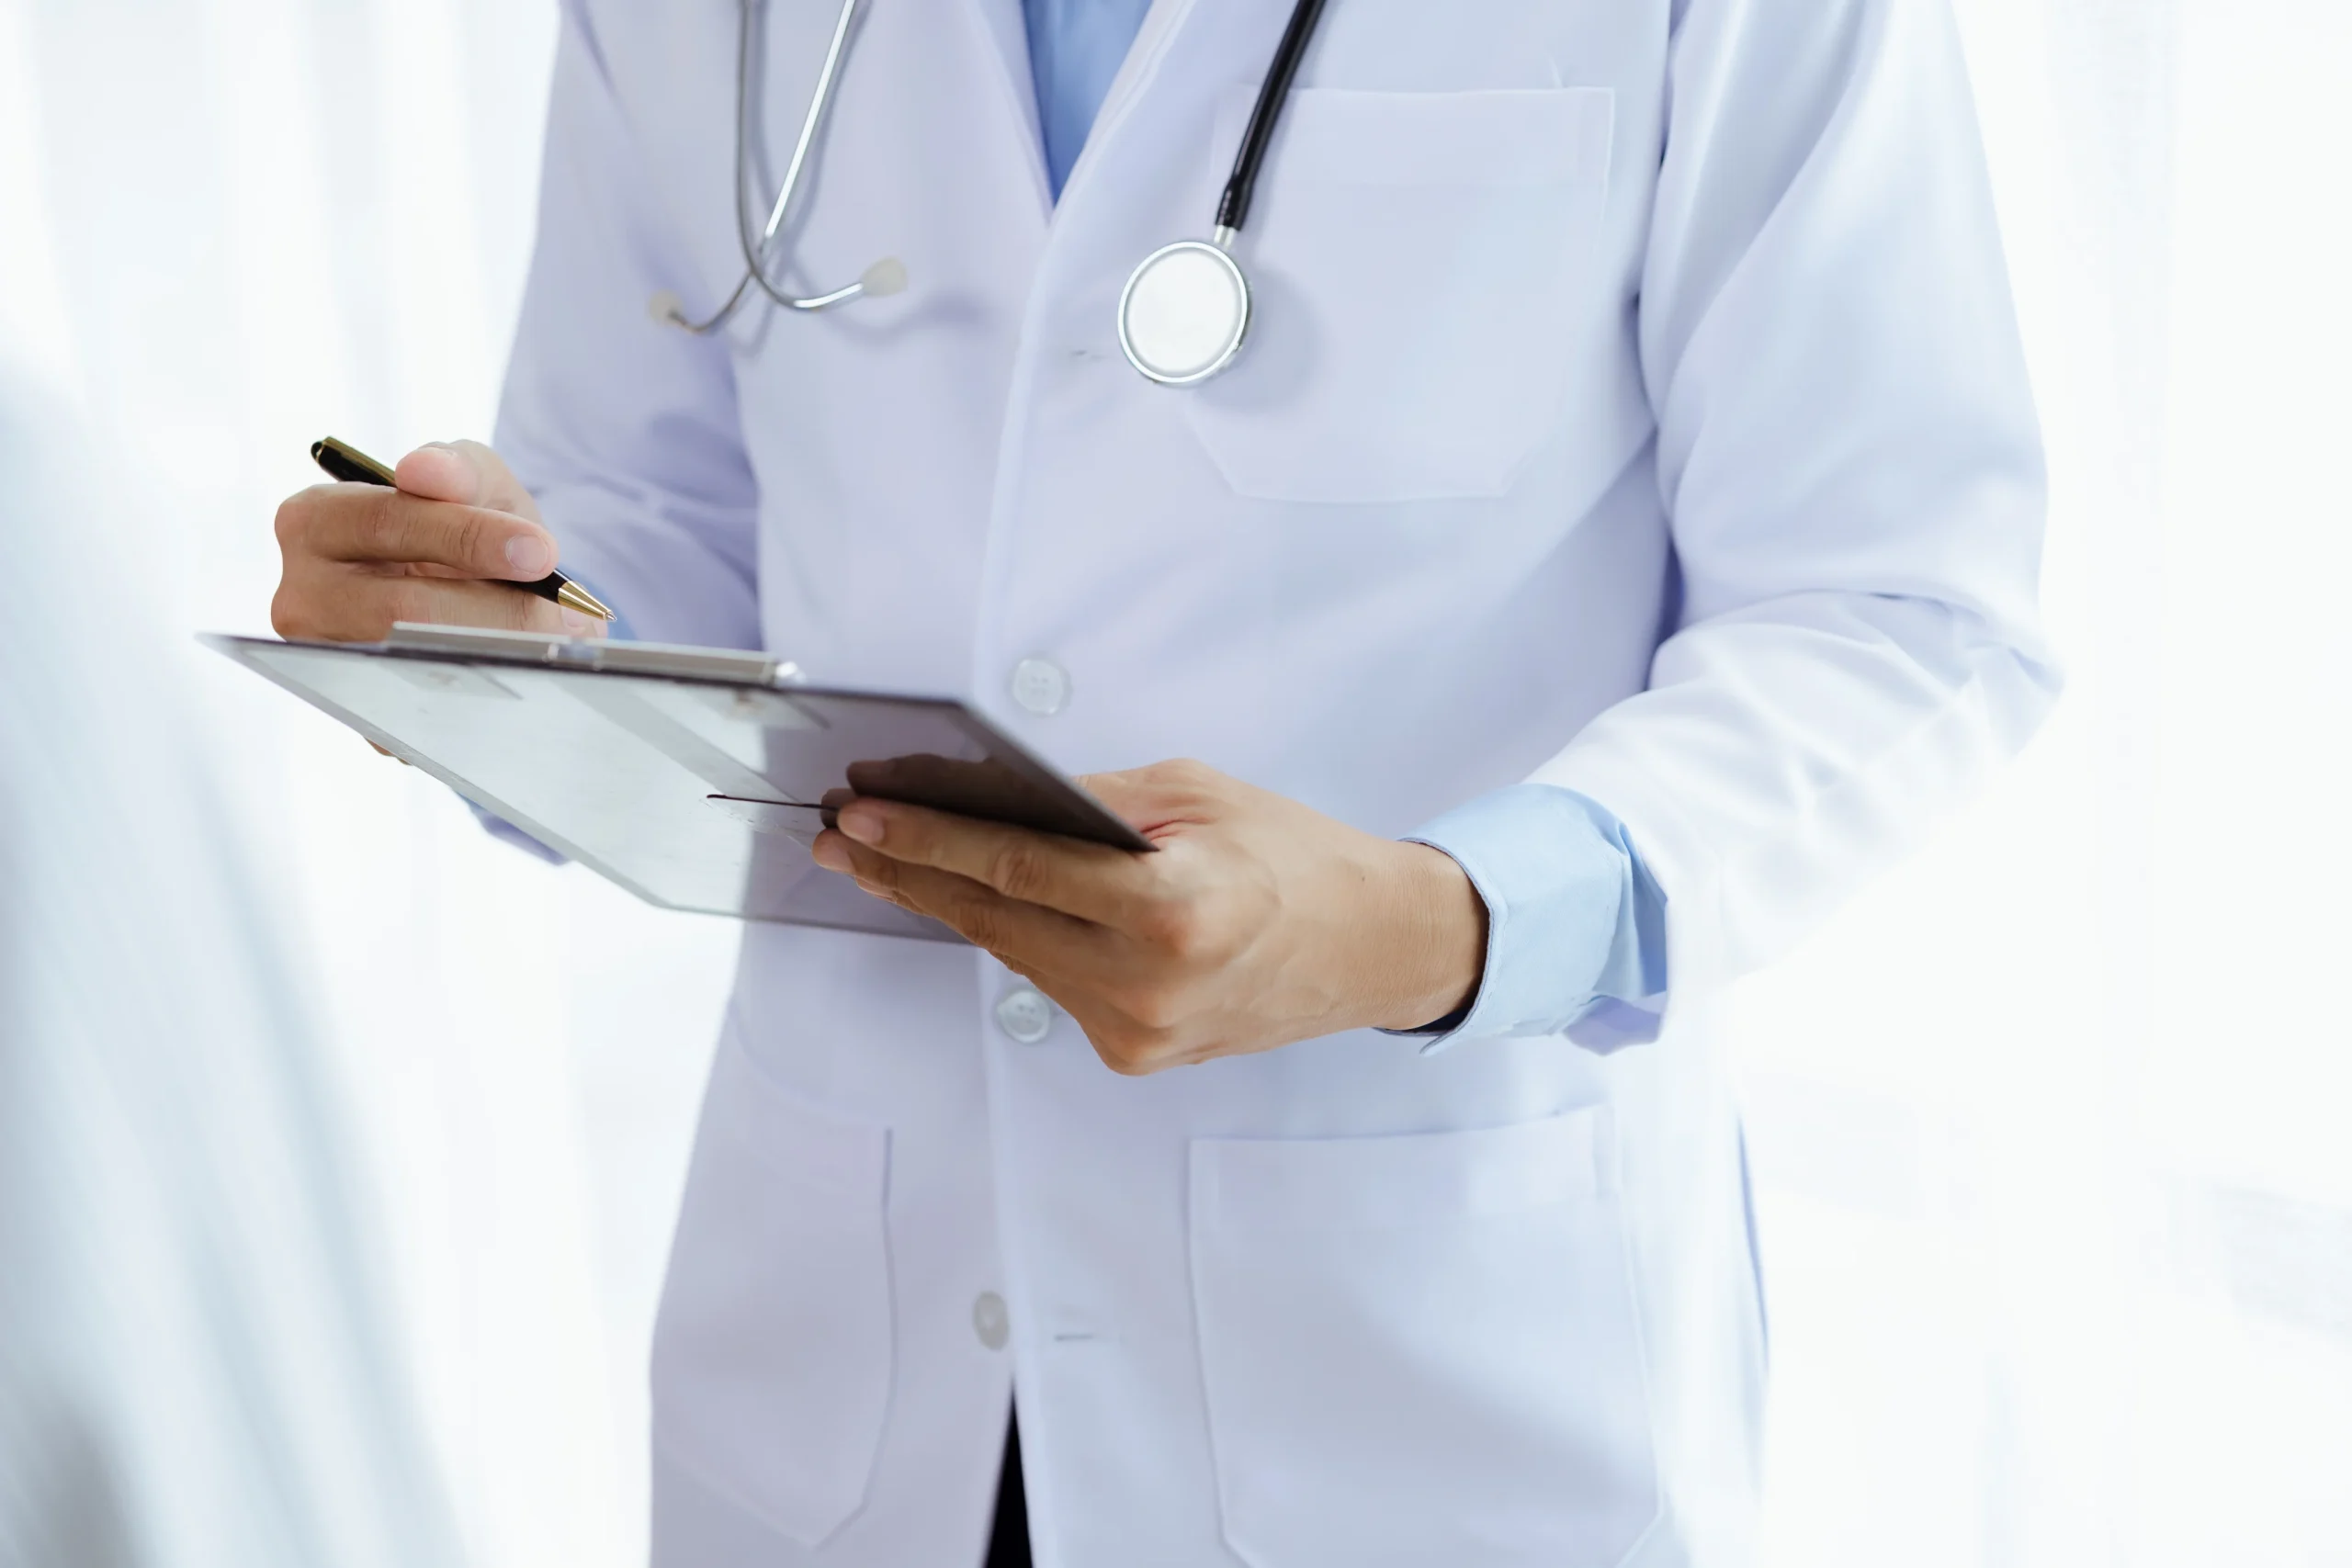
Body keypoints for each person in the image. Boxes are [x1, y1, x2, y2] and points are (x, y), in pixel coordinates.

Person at [267, 0, 2057, 1562]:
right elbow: (659, 534)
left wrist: (1437, 921)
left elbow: (1891, 602)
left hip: (1421, 1376)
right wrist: (483, 626)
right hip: (846, 1364)